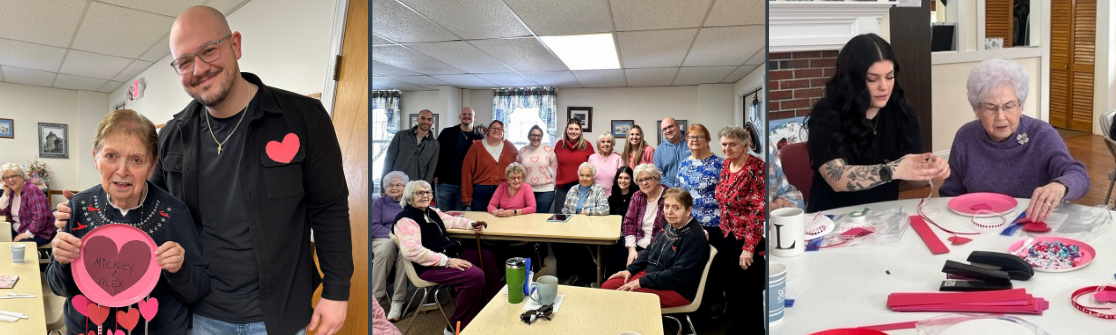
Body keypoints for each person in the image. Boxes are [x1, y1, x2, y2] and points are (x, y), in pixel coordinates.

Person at [56, 7, 353, 334]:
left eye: (209, 50)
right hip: (198, 314)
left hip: (280, 314)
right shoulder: (172, 136)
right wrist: (89, 206)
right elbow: (147, 206)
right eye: (184, 62)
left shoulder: (303, 118)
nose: (199, 69)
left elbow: (330, 208)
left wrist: (337, 290)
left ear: (236, 45)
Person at [46, 109, 210, 334]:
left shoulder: (174, 213)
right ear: (96, 157)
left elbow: (197, 289)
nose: (122, 171)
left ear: (152, 167)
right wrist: (62, 261)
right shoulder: (78, 207)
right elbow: (58, 287)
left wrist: (179, 269)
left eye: (136, 160)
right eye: (111, 156)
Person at [805, 33, 950, 212]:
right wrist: (893, 169)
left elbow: (914, 181)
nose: (884, 86)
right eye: (873, 79)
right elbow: (837, 177)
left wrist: (927, 169)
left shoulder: (902, 113)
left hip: (882, 218)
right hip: (831, 219)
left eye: (889, 77)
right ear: (852, 80)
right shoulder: (826, 115)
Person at [940, 59, 1089, 222]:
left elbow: (1078, 175)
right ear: (977, 110)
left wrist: (1060, 186)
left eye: (1009, 106)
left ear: (1021, 106)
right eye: (990, 107)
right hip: (977, 226)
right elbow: (950, 195)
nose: (1000, 116)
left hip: (1032, 227)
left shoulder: (1041, 134)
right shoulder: (965, 137)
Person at [393, 181, 500, 335]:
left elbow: (451, 220)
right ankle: (455, 328)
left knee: (487, 256)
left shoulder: (431, 211)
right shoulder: (406, 219)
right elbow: (412, 251)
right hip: (429, 265)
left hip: (447, 255)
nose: (425, 196)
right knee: (474, 276)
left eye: (428, 192)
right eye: (420, 193)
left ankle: (489, 306)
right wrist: (446, 261)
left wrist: (471, 224)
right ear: (409, 196)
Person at [602, 188, 710, 309]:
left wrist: (642, 281)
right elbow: (650, 250)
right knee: (607, 288)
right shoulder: (670, 224)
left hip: (676, 289)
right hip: (653, 276)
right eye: (667, 206)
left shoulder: (694, 237)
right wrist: (630, 270)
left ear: (688, 210)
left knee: (623, 300)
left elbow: (678, 276)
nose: (669, 212)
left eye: (676, 208)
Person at [713, 126, 767, 332]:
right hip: (726, 234)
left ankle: (753, 331)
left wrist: (749, 247)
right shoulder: (727, 164)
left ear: (745, 146)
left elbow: (758, 210)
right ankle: (738, 328)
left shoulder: (756, 168)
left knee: (748, 290)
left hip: (746, 239)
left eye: (732, 144)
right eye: (724, 144)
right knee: (731, 288)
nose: (727, 148)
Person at [555, 162, 609, 286]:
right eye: (582, 175)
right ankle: (567, 274)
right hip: (572, 226)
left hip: (590, 226)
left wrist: (589, 212)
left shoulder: (598, 189)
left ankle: (584, 277)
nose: (584, 178)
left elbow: (605, 209)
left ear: (593, 177)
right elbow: (565, 209)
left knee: (580, 245)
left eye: (588, 176)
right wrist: (567, 219)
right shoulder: (573, 189)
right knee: (557, 242)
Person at [611, 163, 668, 275]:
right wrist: (631, 249)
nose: (644, 183)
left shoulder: (669, 196)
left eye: (647, 178)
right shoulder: (637, 196)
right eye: (640, 180)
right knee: (615, 256)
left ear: (656, 178)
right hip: (637, 244)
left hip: (658, 248)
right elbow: (628, 223)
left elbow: (682, 219)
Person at [371, 171, 409, 321]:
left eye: (398, 185)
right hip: (382, 238)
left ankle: (397, 301)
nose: (394, 188)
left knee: (405, 253)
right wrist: (394, 236)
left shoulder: (410, 204)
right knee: (387, 248)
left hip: (405, 240)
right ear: (385, 188)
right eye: (390, 185)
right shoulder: (378, 203)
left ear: (405, 187)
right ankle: (375, 298)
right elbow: (374, 226)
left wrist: (403, 238)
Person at [436, 107, 485, 211]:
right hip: (445, 183)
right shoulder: (447, 133)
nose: (466, 116)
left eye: (469, 114)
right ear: (460, 117)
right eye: (464, 114)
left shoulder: (480, 138)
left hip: (465, 186)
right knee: (443, 216)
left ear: (474, 117)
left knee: (459, 218)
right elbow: (436, 153)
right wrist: (435, 174)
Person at [461, 120, 518, 211]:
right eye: (493, 128)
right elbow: (467, 172)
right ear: (487, 130)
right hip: (480, 192)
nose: (496, 131)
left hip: (504, 191)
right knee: (479, 221)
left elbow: (518, 169)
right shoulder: (476, 147)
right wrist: (466, 196)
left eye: (500, 129)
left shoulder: (510, 147)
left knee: (501, 222)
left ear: (503, 132)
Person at [675, 124, 724, 227]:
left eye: (700, 137)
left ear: (707, 140)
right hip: (688, 223)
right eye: (692, 137)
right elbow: (678, 193)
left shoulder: (720, 164)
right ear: (687, 140)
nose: (695, 140)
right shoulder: (684, 164)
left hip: (713, 224)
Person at [381, 109, 439, 193]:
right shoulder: (401, 136)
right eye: (423, 118)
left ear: (432, 122)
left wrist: (424, 190)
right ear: (417, 119)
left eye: (429, 119)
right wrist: (384, 188)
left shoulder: (435, 144)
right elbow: (388, 161)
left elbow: (430, 170)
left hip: (416, 190)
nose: (426, 121)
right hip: (395, 187)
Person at [0, 163, 54, 246]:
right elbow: (2, 211)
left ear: (21, 176)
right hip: (19, 231)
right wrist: (6, 192)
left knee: (16, 247)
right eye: (7, 178)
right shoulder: (11, 192)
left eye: (13, 176)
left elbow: (40, 217)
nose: (10, 180)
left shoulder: (32, 190)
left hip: (39, 233)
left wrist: (28, 234)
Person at [553, 119, 595, 212]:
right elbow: (552, 163)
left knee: (580, 217)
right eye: (571, 129)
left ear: (580, 132)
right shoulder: (560, 144)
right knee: (560, 217)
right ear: (566, 130)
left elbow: (594, 165)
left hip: (582, 187)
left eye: (576, 129)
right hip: (562, 188)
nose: (573, 131)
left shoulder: (587, 145)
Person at [517, 125, 558, 213]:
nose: (536, 138)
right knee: (528, 217)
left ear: (542, 137)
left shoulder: (549, 150)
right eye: (533, 135)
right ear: (529, 136)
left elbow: (556, 169)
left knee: (542, 217)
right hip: (526, 190)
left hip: (546, 190)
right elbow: (517, 172)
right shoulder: (522, 151)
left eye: (538, 135)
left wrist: (554, 184)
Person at [654, 117, 691, 188]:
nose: (668, 130)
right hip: (670, 193)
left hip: (693, 191)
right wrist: (673, 190)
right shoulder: (659, 150)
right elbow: (659, 174)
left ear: (677, 125)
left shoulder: (691, 143)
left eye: (670, 126)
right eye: (664, 129)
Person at [589, 132, 623, 196]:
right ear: (599, 144)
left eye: (608, 142)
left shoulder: (618, 158)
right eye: (603, 142)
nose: (606, 144)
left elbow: (622, 178)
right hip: (595, 195)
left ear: (612, 144)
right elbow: (589, 178)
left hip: (614, 196)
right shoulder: (592, 158)